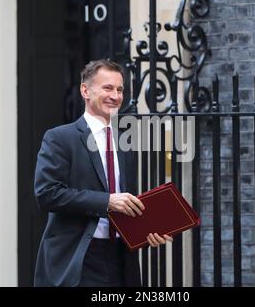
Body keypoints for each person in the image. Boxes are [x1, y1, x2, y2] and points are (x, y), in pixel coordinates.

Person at [33, 59, 172, 287]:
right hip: (79, 259)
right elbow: (47, 193)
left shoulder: (125, 142)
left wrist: (148, 232)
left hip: (122, 259)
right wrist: (107, 201)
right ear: (85, 90)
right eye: (107, 88)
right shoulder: (59, 138)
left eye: (119, 89)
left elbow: (126, 202)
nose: (115, 96)